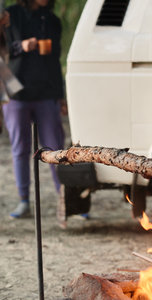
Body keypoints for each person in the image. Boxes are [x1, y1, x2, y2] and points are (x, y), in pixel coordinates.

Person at [3, 0, 65, 218]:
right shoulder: (10, 15)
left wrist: (61, 96)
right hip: (15, 93)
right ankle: (24, 201)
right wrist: (22, 46)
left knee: (57, 148)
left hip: (46, 93)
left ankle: (66, 200)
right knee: (20, 148)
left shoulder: (52, 20)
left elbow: (56, 60)